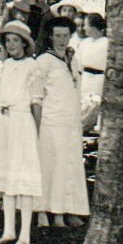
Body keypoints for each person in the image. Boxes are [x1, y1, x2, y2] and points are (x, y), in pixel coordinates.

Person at [0, 22, 43, 244]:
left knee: (23, 178)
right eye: (8, 41)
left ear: (24, 44)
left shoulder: (32, 66)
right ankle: (8, 231)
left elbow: (36, 100)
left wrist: (35, 131)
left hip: (22, 122)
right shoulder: (5, 65)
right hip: (3, 122)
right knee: (7, 177)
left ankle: (24, 234)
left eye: (16, 41)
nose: (11, 45)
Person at [34, 16, 90, 228]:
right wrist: (37, 126)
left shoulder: (73, 59)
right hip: (50, 122)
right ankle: (43, 213)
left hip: (71, 122)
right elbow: (37, 96)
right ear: (50, 36)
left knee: (70, 166)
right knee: (50, 167)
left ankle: (68, 210)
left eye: (65, 35)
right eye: (57, 35)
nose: (61, 40)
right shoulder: (43, 61)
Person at [77, 13, 109, 116]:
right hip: (85, 80)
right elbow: (78, 65)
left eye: (85, 25)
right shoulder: (84, 43)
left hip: (100, 81)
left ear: (93, 26)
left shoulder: (107, 43)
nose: (84, 28)